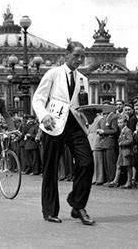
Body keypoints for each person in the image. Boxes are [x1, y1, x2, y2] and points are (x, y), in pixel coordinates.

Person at [32, 40, 94, 226]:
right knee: (51, 169)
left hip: (75, 126)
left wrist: (92, 112)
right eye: (76, 55)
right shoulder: (53, 73)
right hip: (54, 125)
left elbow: (81, 104)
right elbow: (38, 98)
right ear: (66, 55)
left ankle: (77, 205)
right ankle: (50, 211)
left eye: (82, 56)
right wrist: (43, 116)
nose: (79, 59)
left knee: (87, 163)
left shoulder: (83, 79)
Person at [105, 116, 134, 189]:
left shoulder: (128, 130)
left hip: (126, 151)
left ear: (125, 123)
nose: (119, 124)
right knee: (118, 166)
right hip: (121, 152)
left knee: (128, 167)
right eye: (118, 123)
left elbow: (130, 140)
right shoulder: (121, 131)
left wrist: (122, 143)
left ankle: (129, 182)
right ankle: (115, 181)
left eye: (121, 122)